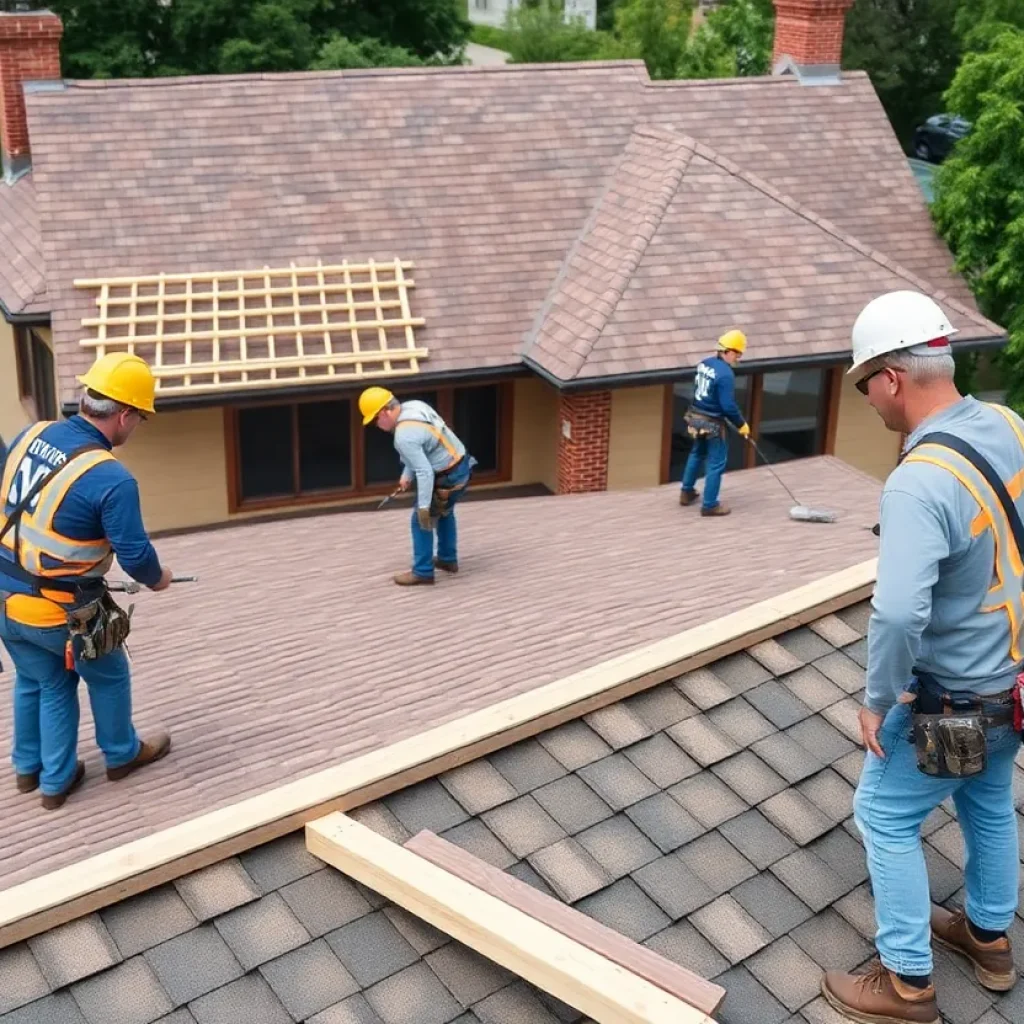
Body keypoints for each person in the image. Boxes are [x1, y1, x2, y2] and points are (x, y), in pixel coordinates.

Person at [821, 289, 1023, 1023]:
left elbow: (900, 611)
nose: (868, 398)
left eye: (864, 382)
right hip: (1015, 687)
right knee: (988, 803)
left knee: (883, 815)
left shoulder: (917, 481)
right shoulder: (1006, 422)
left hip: (957, 699)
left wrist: (876, 699)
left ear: (893, 378)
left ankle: (907, 983)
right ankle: (989, 940)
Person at [0, 353, 173, 810]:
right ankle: (115, 757)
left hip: (5, 597)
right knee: (108, 675)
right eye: (139, 418)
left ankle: (30, 771)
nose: (136, 427)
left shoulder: (32, 433)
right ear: (124, 414)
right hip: (59, 610)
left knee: (36, 680)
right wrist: (159, 580)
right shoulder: (111, 478)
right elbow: (136, 557)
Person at [359, 387, 475, 586]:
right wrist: (406, 473)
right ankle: (448, 560)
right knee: (445, 511)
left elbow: (425, 472)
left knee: (420, 521)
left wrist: (423, 507)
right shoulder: (415, 407)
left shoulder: (403, 436)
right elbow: (426, 448)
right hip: (462, 467)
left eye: (374, 420)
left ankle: (422, 572)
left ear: (384, 412)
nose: (376, 425)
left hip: (446, 477)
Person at [679, 329, 751, 517]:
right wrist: (741, 424)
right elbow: (727, 406)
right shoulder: (726, 374)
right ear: (728, 351)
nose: (738, 359)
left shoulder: (704, 364)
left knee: (697, 453)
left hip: (695, 417)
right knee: (716, 463)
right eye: (737, 354)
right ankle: (710, 505)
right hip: (712, 422)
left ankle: (686, 492)